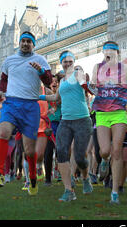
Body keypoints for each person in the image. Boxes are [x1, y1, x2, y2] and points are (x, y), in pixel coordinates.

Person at [0, 31, 52, 196]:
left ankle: (32, 178)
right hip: (11, 103)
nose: (26, 44)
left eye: (29, 42)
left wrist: (41, 71)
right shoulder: (9, 60)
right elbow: (4, 80)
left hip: (30, 106)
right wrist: (0, 92)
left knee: (29, 150)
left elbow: (49, 81)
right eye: (23, 41)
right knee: (3, 132)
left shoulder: (40, 60)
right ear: (19, 42)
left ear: (34, 44)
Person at [40, 50, 93, 201]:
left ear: (74, 62)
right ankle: (68, 190)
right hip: (65, 121)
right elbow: (56, 97)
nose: (68, 63)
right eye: (65, 61)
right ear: (61, 63)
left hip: (83, 120)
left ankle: (85, 177)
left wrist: (83, 77)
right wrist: (39, 96)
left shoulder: (78, 74)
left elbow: (86, 85)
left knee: (80, 157)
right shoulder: (62, 82)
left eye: (70, 61)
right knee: (61, 152)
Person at [89, 41, 127, 205]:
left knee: (117, 150)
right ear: (103, 53)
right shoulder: (97, 67)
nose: (108, 52)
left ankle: (115, 192)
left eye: (112, 50)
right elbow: (94, 86)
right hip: (102, 113)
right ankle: (104, 160)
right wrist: (92, 85)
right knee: (105, 151)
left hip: (119, 113)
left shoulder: (126, 69)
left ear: (118, 53)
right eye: (105, 50)